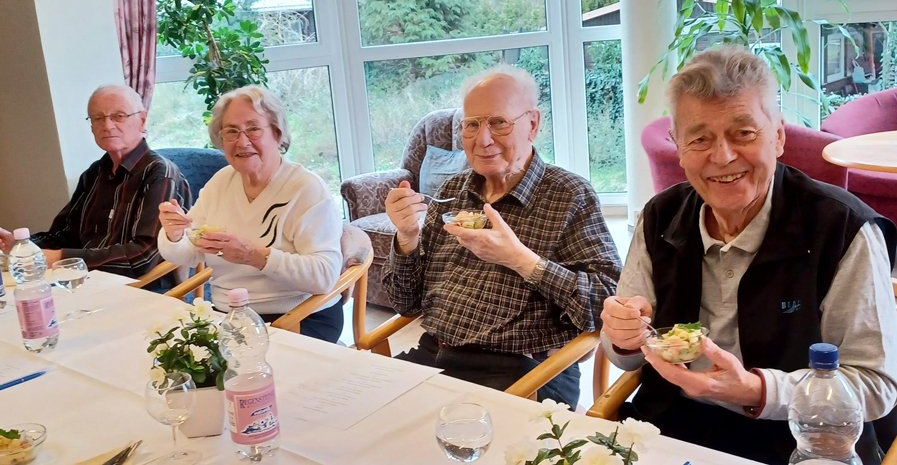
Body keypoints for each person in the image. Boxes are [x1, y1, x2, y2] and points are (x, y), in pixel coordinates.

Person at [600, 46, 897, 464]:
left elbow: (874, 386)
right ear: (678, 147)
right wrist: (623, 336)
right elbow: (623, 353)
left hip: (798, 441)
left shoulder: (842, 230)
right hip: (671, 431)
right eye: (700, 138)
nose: (722, 156)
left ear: (778, 136)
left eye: (744, 133)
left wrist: (757, 391)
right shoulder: (660, 217)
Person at [383, 65, 622, 407]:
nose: (483, 139)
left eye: (498, 122)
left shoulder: (569, 195)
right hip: (433, 357)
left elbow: (608, 301)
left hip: (521, 370)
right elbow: (405, 303)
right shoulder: (452, 193)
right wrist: (407, 237)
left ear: (533, 124)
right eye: (472, 124)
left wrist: (521, 260)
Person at [157, 85, 344, 343]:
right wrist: (174, 234)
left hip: (297, 316)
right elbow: (190, 253)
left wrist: (255, 256)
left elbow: (324, 276)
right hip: (230, 315)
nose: (242, 141)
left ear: (277, 134)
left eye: (254, 129)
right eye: (231, 132)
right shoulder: (221, 182)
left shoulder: (305, 188)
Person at [0, 84, 190, 284]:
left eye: (119, 116)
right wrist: (23, 246)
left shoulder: (159, 174)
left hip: (143, 289)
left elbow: (143, 257)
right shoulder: (95, 173)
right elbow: (64, 235)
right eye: (98, 118)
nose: (107, 126)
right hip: (85, 281)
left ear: (142, 120)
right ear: (91, 126)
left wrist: (60, 258)